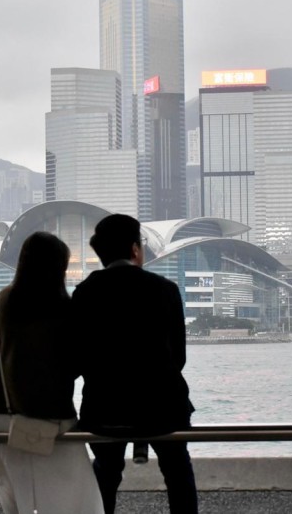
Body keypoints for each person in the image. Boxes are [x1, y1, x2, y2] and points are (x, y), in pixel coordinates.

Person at [72, 214, 198, 514]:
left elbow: (78, 358)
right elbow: (178, 357)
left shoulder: (84, 293)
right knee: (178, 473)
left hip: (104, 408)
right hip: (162, 407)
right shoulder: (165, 289)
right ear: (134, 249)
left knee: (105, 473)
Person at [0, 231, 104, 514]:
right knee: (81, 504)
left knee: (18, 506)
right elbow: (76, 364)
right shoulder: (63, 308)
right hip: (49, 422)